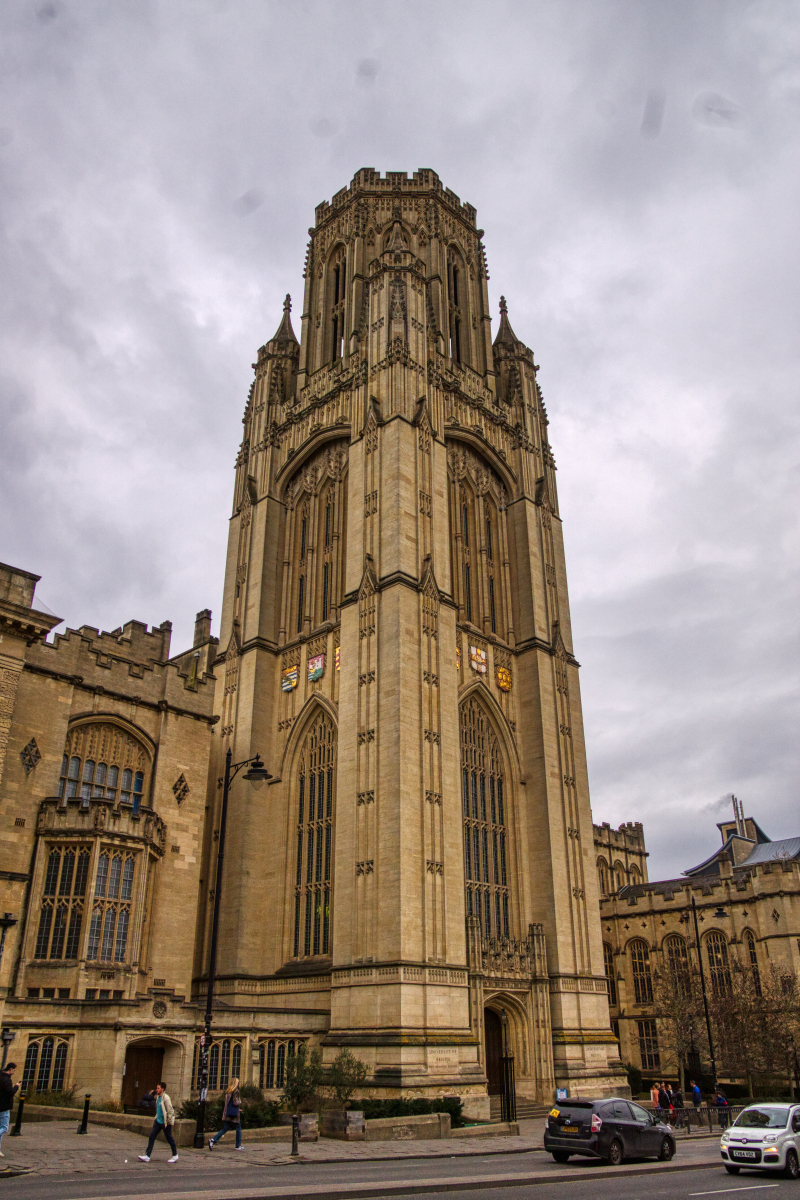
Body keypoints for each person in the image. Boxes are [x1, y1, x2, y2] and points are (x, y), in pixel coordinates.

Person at [138, 1082, 178, 1163]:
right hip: (158, 1121)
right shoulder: (158, 1097)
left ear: (162, 1089)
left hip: (165, 1122)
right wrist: (156, 1118)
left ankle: (175, 1155)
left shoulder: (166, 1098)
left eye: (158, 1088)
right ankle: (147, 1156)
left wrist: (169, 1122)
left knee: (169, 1138)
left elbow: (170, 1111)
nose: (157, 1089)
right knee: (152, 1136)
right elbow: (159, 1109)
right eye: (156, 1088)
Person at [208, 1076, 243, 1151]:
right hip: (233, 1115)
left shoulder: (228, 1091)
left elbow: (228, 1104)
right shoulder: (236, 1091)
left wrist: (237, 1109)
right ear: (235, 1083)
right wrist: (240, 1101)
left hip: (227, 1113)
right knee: (238, 1129)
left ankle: (213, 1140)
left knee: (225, 1129)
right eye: (238, 1082)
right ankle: (238, 1145)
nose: (238, 1084)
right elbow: (235, 1102)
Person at [0, 1063, 18, 1157]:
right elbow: (10, 1092)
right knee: (4, 1128)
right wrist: (16, 1087)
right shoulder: (6, 1080)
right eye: (14, 1070)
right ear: (10, 1069)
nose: (14, 1072)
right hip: (4, 1107)